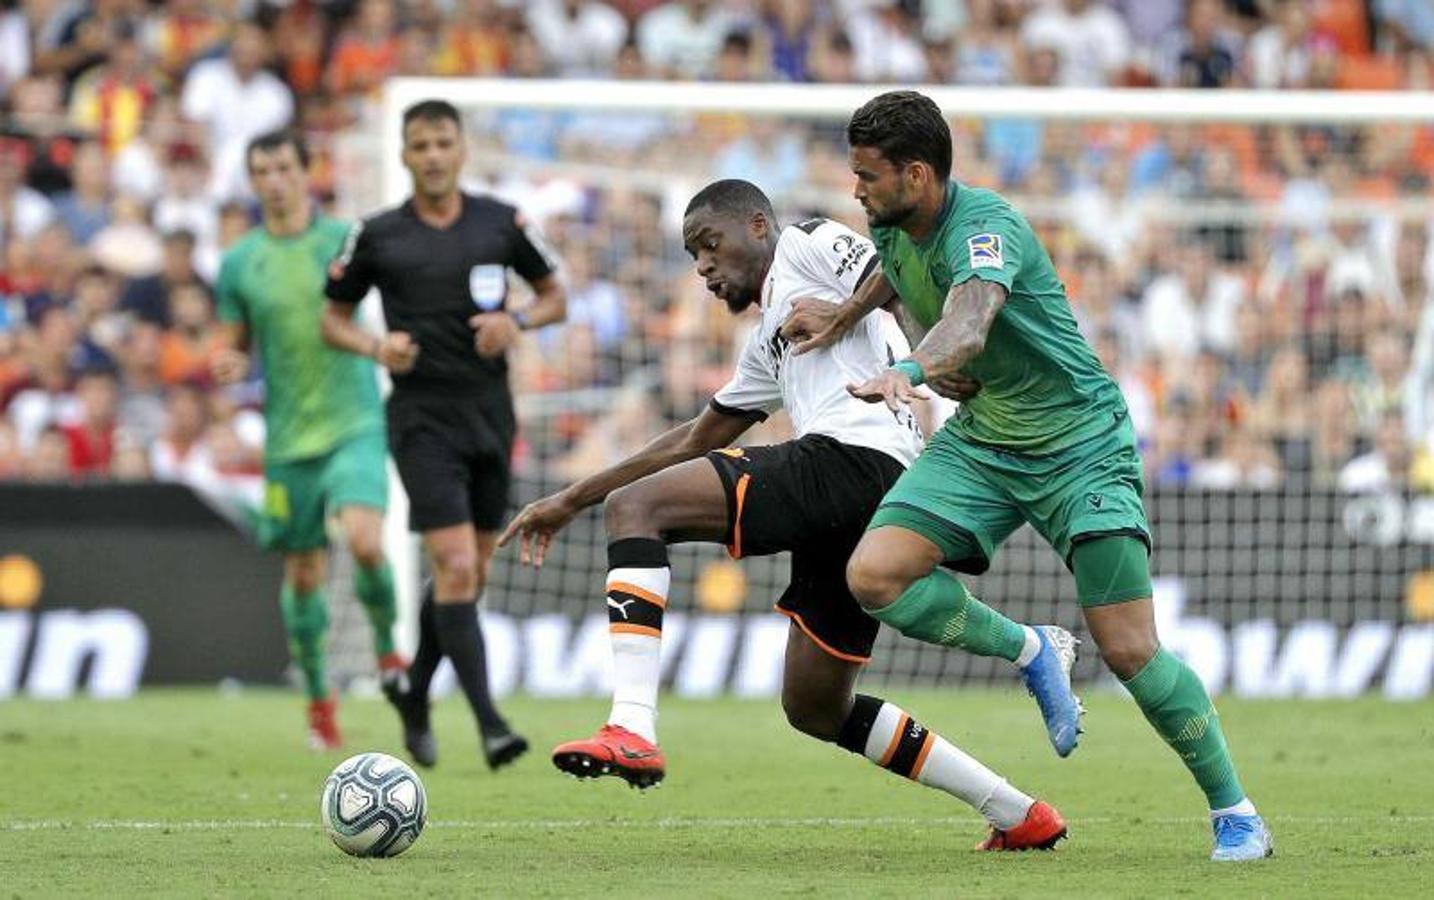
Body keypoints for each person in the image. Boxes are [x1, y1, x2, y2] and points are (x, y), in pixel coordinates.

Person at [500, 179, 1076, 851]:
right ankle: (1017, 813)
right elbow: (694, 438)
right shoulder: (766, 344)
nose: (704, 268)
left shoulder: (804, 241)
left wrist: (872, 331)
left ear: (756, 226)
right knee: (814, 706)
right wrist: (570, 498)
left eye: (710, 245)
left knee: (639, 509)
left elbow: (886, 272)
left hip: (851, 458)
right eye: (692, 257)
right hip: (865, 497)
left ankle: (631, 724)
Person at [781, 90, 1271, 862]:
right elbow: (889, 273)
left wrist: (907, 369)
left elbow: (971, 321)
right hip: (987, 440)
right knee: (875, 576)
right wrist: (843, 319)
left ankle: (1236, 810)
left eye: (869, 175)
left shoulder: (987, 226)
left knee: (1129, 647)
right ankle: (1033, 649)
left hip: (1081, 443)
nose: (856, 190)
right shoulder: (888, 221)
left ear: (917, 174)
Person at [322, 99, 566, 771]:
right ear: (403, 154)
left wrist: (517, 320)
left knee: (472, 570)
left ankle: (412, 690)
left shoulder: (501, 223)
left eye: (442, 143)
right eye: (420, 145)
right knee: (455, 565)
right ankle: (491, 724)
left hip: (490, 412)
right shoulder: (376, 235)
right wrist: (376, 348)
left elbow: (556, 296)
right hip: (421, 417)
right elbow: (331, 320)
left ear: (461, 150)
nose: (431, 155)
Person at [212, 130, 403, 750]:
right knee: (301, 574)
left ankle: (386, 650)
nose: (273, 179)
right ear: (253, 179)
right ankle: (320, 699)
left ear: (304, 171)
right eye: (261, 169)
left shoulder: (342, 241)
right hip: (288, 439)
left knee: (367, 539)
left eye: (282, 167)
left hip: (355, 421)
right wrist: (230, 362)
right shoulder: (240, 262)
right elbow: (235, 342)